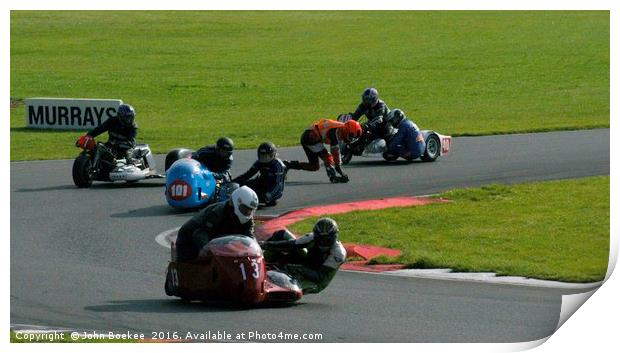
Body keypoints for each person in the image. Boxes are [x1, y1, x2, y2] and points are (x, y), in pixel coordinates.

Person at [260, 218, 346, 294]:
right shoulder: (311, 237)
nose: (323, 242)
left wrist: (298, 268)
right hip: (307, 263)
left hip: (315, 281)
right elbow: (291, 244)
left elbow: (320, 277)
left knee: (290, 290)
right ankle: (260, 264)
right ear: (316, 235)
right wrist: (265, 244)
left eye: (327, 239)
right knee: (281, 234)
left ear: (334, 236)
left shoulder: (338, 253)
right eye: (320, 239)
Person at [175, 186, 259, 262]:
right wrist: (208, 251)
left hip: (218, 239)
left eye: (251, 210)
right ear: (237, 203)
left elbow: (250, 237)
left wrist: (255, 250)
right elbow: (200, 234)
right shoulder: (217, 213)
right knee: (195, 267)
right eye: (245, 209)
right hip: (190, 238)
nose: (248, 212)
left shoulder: (248, 219)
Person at [284, 118, 362, 183]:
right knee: (328, 157)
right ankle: (332, 176)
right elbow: (335, 152)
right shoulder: (334, 132)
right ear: (346, 129)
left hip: (310, 137)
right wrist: (339, 168)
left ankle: (288, 165)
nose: (350, 139)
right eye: (350, 136)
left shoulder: (340, 128)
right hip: (311, 137)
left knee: (314, 166)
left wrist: (338, 167)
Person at [233, 142, 286, 207]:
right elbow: (248, 174)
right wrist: (234, 182)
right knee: (242, 186)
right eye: (262, 156)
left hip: (272, 189)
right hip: (262, 183)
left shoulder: (278, 165)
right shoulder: (259, 162)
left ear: (273, 155)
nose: (264, 158)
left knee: (259, 198)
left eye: (267, 156)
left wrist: (269, 195)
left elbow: (278, 184)